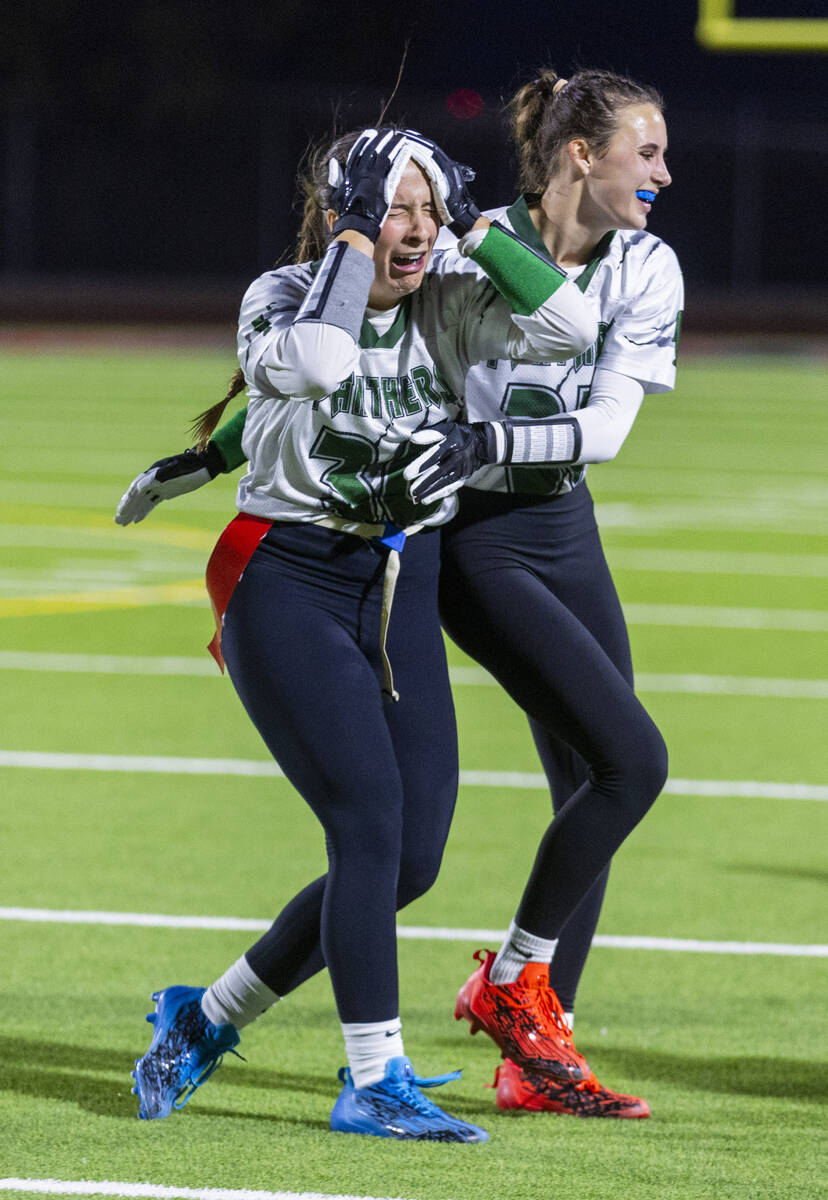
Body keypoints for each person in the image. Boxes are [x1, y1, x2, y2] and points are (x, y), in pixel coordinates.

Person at [118, 65, 682, 1121]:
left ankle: (210, 1014)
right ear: (345, 219)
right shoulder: (282, 295)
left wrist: (465, 231)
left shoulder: (447, 298)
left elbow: (564, 329)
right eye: (398, 209)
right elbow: (324, 362)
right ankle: (374, 1078)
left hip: (397, 577)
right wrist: (351, 237)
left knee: (413, 857)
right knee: (372, 821)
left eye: (430, 207)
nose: (417, 229)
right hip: (287, 575)